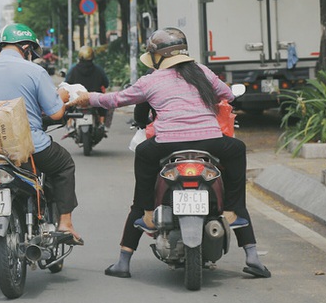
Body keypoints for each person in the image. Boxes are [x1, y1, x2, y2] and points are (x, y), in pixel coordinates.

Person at [71, 27, 270, 279]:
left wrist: (87, 98)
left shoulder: (150, 80)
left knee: (143, 156)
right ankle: (242, 234)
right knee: (237, 150)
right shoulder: (202, 72)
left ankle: (137, 232)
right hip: (210, 142)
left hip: (168, 145)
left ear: (158, 56)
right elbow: (228, 95)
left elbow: (115, 99)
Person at [0, 23, 83, 288]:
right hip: (28, 147)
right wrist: (64, 95)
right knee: (65, 164)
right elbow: (56, 113)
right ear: (26, 48)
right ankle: (65, 223)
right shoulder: (35, 70)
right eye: (31, 50)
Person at [65, 45, 109, 125]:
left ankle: (69, 124)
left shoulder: (73, 69)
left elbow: (67, 83)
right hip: (94, 99)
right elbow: (106, 83)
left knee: (68, 105)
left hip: (77, 99)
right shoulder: (98, 69)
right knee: (105, 106)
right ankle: (103, 124)